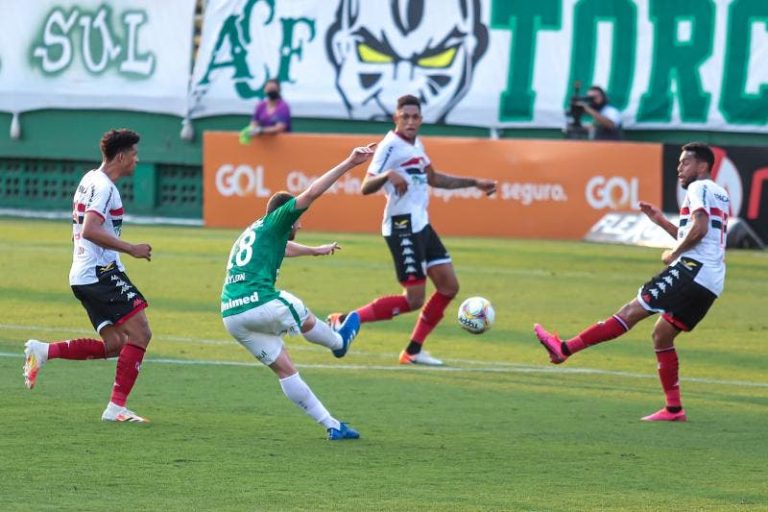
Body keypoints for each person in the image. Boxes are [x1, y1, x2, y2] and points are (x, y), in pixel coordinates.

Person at [534, 142, 729, 422]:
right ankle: (674, 409)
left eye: (685, 163)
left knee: (630, 312)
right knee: (662, 335)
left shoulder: (699, 188)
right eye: (678, 163)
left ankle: (564, 349)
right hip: (711, 280)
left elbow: (697, 230)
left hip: (692, 270)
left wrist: (674, 253)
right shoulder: (720, 193)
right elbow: (700, 235)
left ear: (702, 166)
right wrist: (661, 221)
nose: (679, 168)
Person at [327, 94, 497, 366]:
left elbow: (434, 178)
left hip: (421, 224)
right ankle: (346, 319)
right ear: (396, 118)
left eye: (415, 116)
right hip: (402, 226)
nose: (410, 120)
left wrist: (475, 182)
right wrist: (387, 176)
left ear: (420, 119)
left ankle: (413, 351)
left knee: (449, 286)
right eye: (404, 116)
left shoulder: (416, 144)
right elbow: (365, 186)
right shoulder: (390, 147)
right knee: (414, 298)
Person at [221, 143, 376, 440]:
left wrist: (314, 251)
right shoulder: (279, 218)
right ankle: (338, 341)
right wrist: (349, 163)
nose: (300, 224)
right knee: (298, 309)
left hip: (232, 315)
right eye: (297, 220)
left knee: (285, 369)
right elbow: (312, 193)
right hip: (259, 302)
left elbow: (284, 247)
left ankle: (332, 426)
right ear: (285, 215)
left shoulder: (255, 231)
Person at [23, 129, 154, 423]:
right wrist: (131, 248)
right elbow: (90, 230)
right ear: (121, 156)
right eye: (134, 155)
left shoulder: (89, 179)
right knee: (141, 333)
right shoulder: (105, 187)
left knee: (116, 344)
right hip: (100, 273)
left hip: (83, 274)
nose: (137, 160)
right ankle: (116, 407)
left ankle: (43, 351)